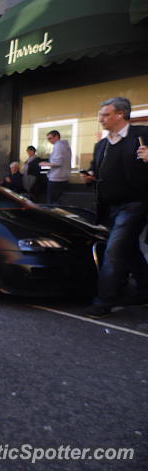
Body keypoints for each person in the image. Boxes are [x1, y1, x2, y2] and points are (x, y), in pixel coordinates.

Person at [81, 97, 148, 318]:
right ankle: (144, 290)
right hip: (109, 207)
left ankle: (103, 302)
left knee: (113, 251)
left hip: (135, 204)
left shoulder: (142, 134)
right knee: (129, 250)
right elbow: (95, 170)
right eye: (101, 115)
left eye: (106, 114)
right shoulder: (102, 144)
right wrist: (90, 176)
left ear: (120, 114)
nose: (101, 119)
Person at [40, 130, 71, 203]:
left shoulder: (58, 145)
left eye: (50, 138)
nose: (49, 141)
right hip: (64, 177)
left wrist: (45, 164)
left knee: (51, 203)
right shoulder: (66, 146)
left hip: (56, 178)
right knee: (59, 202)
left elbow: (57, 162)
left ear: (56, 137)